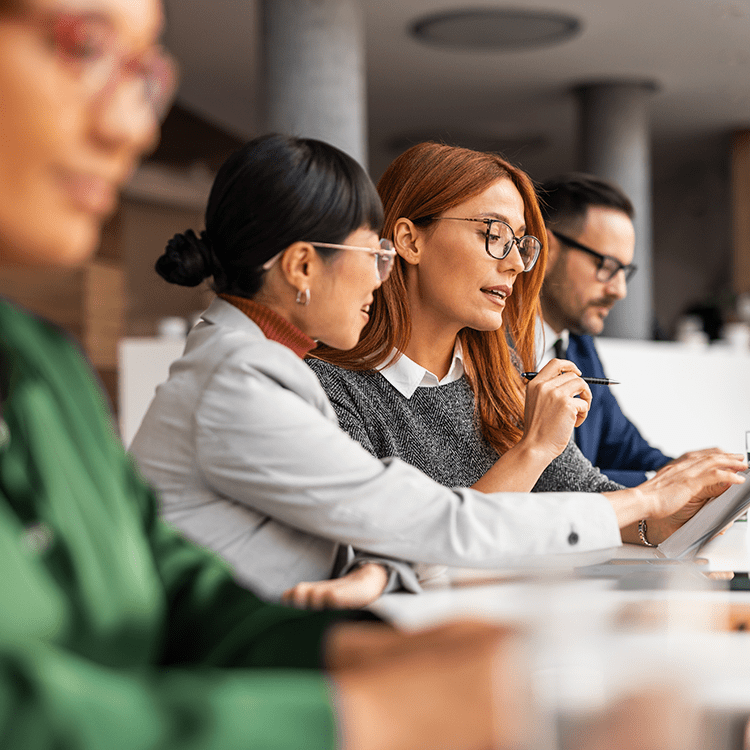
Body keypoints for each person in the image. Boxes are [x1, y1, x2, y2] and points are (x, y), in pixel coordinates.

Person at [0, 1, 548, 748]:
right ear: (301, 267)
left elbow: (178, 592)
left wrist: (359, 645)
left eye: (145, 74)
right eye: (84, 45)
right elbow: (408, 516)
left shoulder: (49, 367)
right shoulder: (243, 380)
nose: (133, 126)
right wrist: (361, 708)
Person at [300, 142, 746, 605]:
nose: (514, 262)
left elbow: (591, 497)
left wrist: (674, 517)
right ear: (411, 241)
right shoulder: (327, 388)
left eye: (520, 242)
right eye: (493, 233)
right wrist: (534, 450)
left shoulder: (499, 374)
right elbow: (395, 555)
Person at [539, 173, 675, 486]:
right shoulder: (486, 346)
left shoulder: (580, 348)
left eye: (624, 272)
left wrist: (696, 473)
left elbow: (626, 449)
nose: (619, 290)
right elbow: (541, 482)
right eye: (607, 266)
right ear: (547, 248)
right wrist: (666, 484)